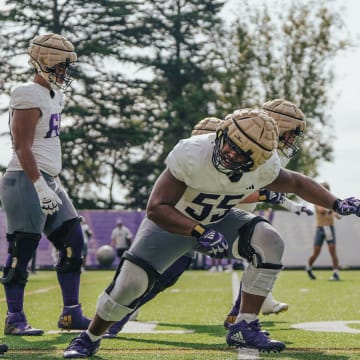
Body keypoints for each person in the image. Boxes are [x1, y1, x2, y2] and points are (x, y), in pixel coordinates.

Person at [63, 107, 360, 358]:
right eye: (229, 143)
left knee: (269, 240)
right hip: (172, 222)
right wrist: (197, 230)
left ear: (256, 160)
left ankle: (244, 325)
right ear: (222, 132)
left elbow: (296, 183)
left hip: (219, 219)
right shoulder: (192, 153)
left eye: (241, 153)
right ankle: (89, 337)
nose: (230, 152)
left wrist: (336, 202)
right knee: (130, 285)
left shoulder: (264, 166)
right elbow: (157, 207)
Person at [97, 101, 314, 339]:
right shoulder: (223, 146)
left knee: (261, 255)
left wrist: (289, 203)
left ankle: (241, 319)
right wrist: (272, 197)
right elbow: (228, 187)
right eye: (293, 132)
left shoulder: (268, 155)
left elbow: (283, 184)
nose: (293, 140)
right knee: (163, 275)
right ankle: (117, 318)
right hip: (188, 218)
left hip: (223, 217)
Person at [0, 33, 90, 335]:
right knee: (22, 251)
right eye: (61, 65)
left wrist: (49, 182)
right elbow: (21, 145)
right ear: (45, 62)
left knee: (74, 242)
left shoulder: (55, 94)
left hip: (48, 179)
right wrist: (39, 186)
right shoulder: (27, 92)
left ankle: (71, 314)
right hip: (26, 180)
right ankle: (14, 318)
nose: (65, 72)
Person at [306, 181, 342, 281]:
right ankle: (309, 267)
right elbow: (321, 210)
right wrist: (332, 209)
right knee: (316, 252)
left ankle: (335, 273)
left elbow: (339, 217)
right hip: (320, 228)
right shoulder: (317, 200)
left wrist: (338, 212)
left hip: (329, 228)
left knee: (332, 250)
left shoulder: (332, 201)